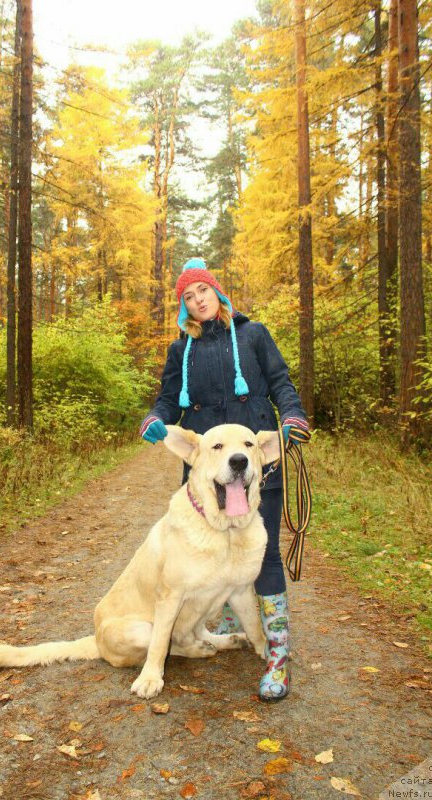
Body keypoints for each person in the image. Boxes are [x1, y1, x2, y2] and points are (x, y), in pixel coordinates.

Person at [139, 257, 309, 701]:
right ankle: (234, 620)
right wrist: (155, 420)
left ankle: (276, 650)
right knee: (214, 549)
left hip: (254, 462)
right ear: (183, 308)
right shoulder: (181, 350)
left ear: (219, 292)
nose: (198, 301)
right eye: (189, 298)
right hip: (207, 470)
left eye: (203, 291)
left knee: (264, 555)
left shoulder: (253, 335)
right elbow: (165, 401)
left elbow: (280, 382)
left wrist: (291, 415)